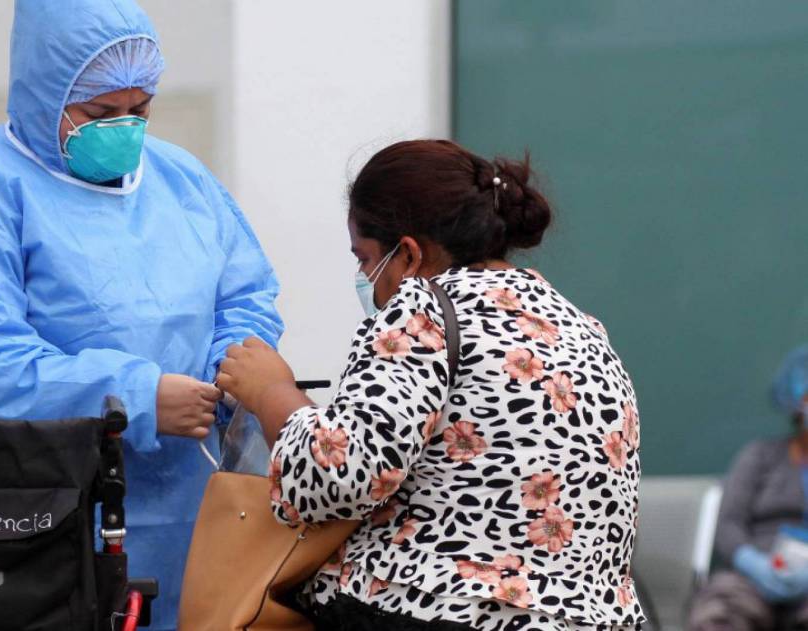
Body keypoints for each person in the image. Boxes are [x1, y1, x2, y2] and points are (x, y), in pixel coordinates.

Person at [0, 1, 283, 627]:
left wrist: (229, 371)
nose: (123, 128)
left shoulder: (182, 181)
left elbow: (245, 295)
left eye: (139, 110)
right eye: (98, 113)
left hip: (192, 517)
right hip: (24, 524)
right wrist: (138, 398)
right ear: (43, 92)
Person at [218, 140, 644, 630]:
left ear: (409, 254)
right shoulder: (580, 327)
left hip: (444, 612)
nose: (364, 277)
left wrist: (273, 391)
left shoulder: (426, 313)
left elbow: (341, 477)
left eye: (364, 258)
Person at [688, 347, 808, 631]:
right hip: (752, 576)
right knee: (721, 612)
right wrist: (752, 563)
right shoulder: (759, 456)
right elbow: (729, 523)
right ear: (795, 401)